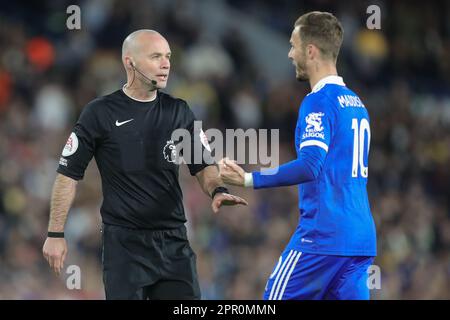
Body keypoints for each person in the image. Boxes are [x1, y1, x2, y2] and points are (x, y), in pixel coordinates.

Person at [42, 29, 247, 300]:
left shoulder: (179, 111)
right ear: (130, 62)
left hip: (173, 243)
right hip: (124, 247)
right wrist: (55, 232)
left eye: (168, 57)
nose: (166, 64)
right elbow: (67, 174)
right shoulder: (100, 113)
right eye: (155, 57)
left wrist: (217, 189)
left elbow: (203, 165)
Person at [219, 12, 376, 300]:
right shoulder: (357, 104)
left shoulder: (318, 101)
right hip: (360, 240)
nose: (290, 54)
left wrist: (248, 178)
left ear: (311, 50)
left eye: (293, 45)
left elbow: (310, 165)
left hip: (322, 237)